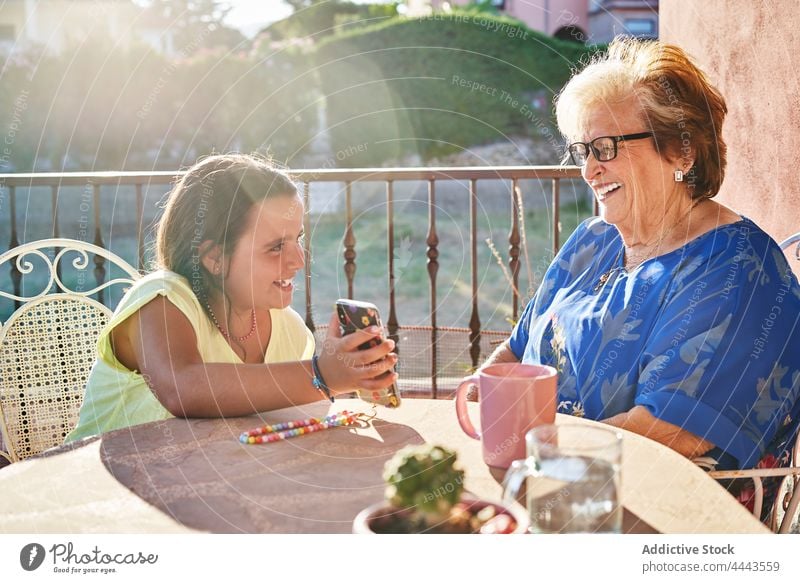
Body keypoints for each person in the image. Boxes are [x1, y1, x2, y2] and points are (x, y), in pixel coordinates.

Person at [476, 37, 800, 482]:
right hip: (534, 481)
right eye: (582, 151)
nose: (589, 170)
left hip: (639, 515)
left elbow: (668, 433)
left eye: (606, 147)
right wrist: (474, 417)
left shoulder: (738, 268)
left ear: (681, 151)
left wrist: (529, 463)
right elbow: (512, 357)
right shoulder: (592, 241)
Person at [66, 154, 397, 442]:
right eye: (276, 247)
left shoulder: (288, 331)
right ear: (214, 258)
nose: (299, 259)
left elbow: (292, 424)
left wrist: (353, 373)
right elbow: (182, 389)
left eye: (298, 238)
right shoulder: (161, 299)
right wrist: (322, 375)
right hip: (92, 494)